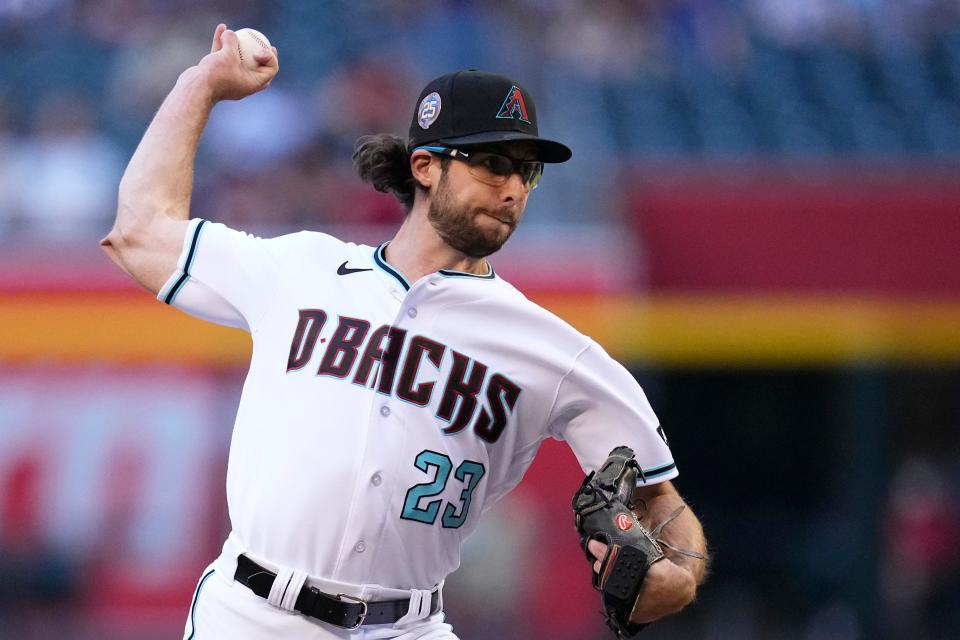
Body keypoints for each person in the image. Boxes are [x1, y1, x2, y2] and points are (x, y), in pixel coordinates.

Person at [101, 24, 707, 640]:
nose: (513, 188)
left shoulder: (555, 351)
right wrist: (200, 84)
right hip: (249, 614)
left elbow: (664, 502)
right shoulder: (302, 269)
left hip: (406, 626)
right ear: (425, 166)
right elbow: (140, 232)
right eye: (493, 163)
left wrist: (676, 578)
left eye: (528, 172)